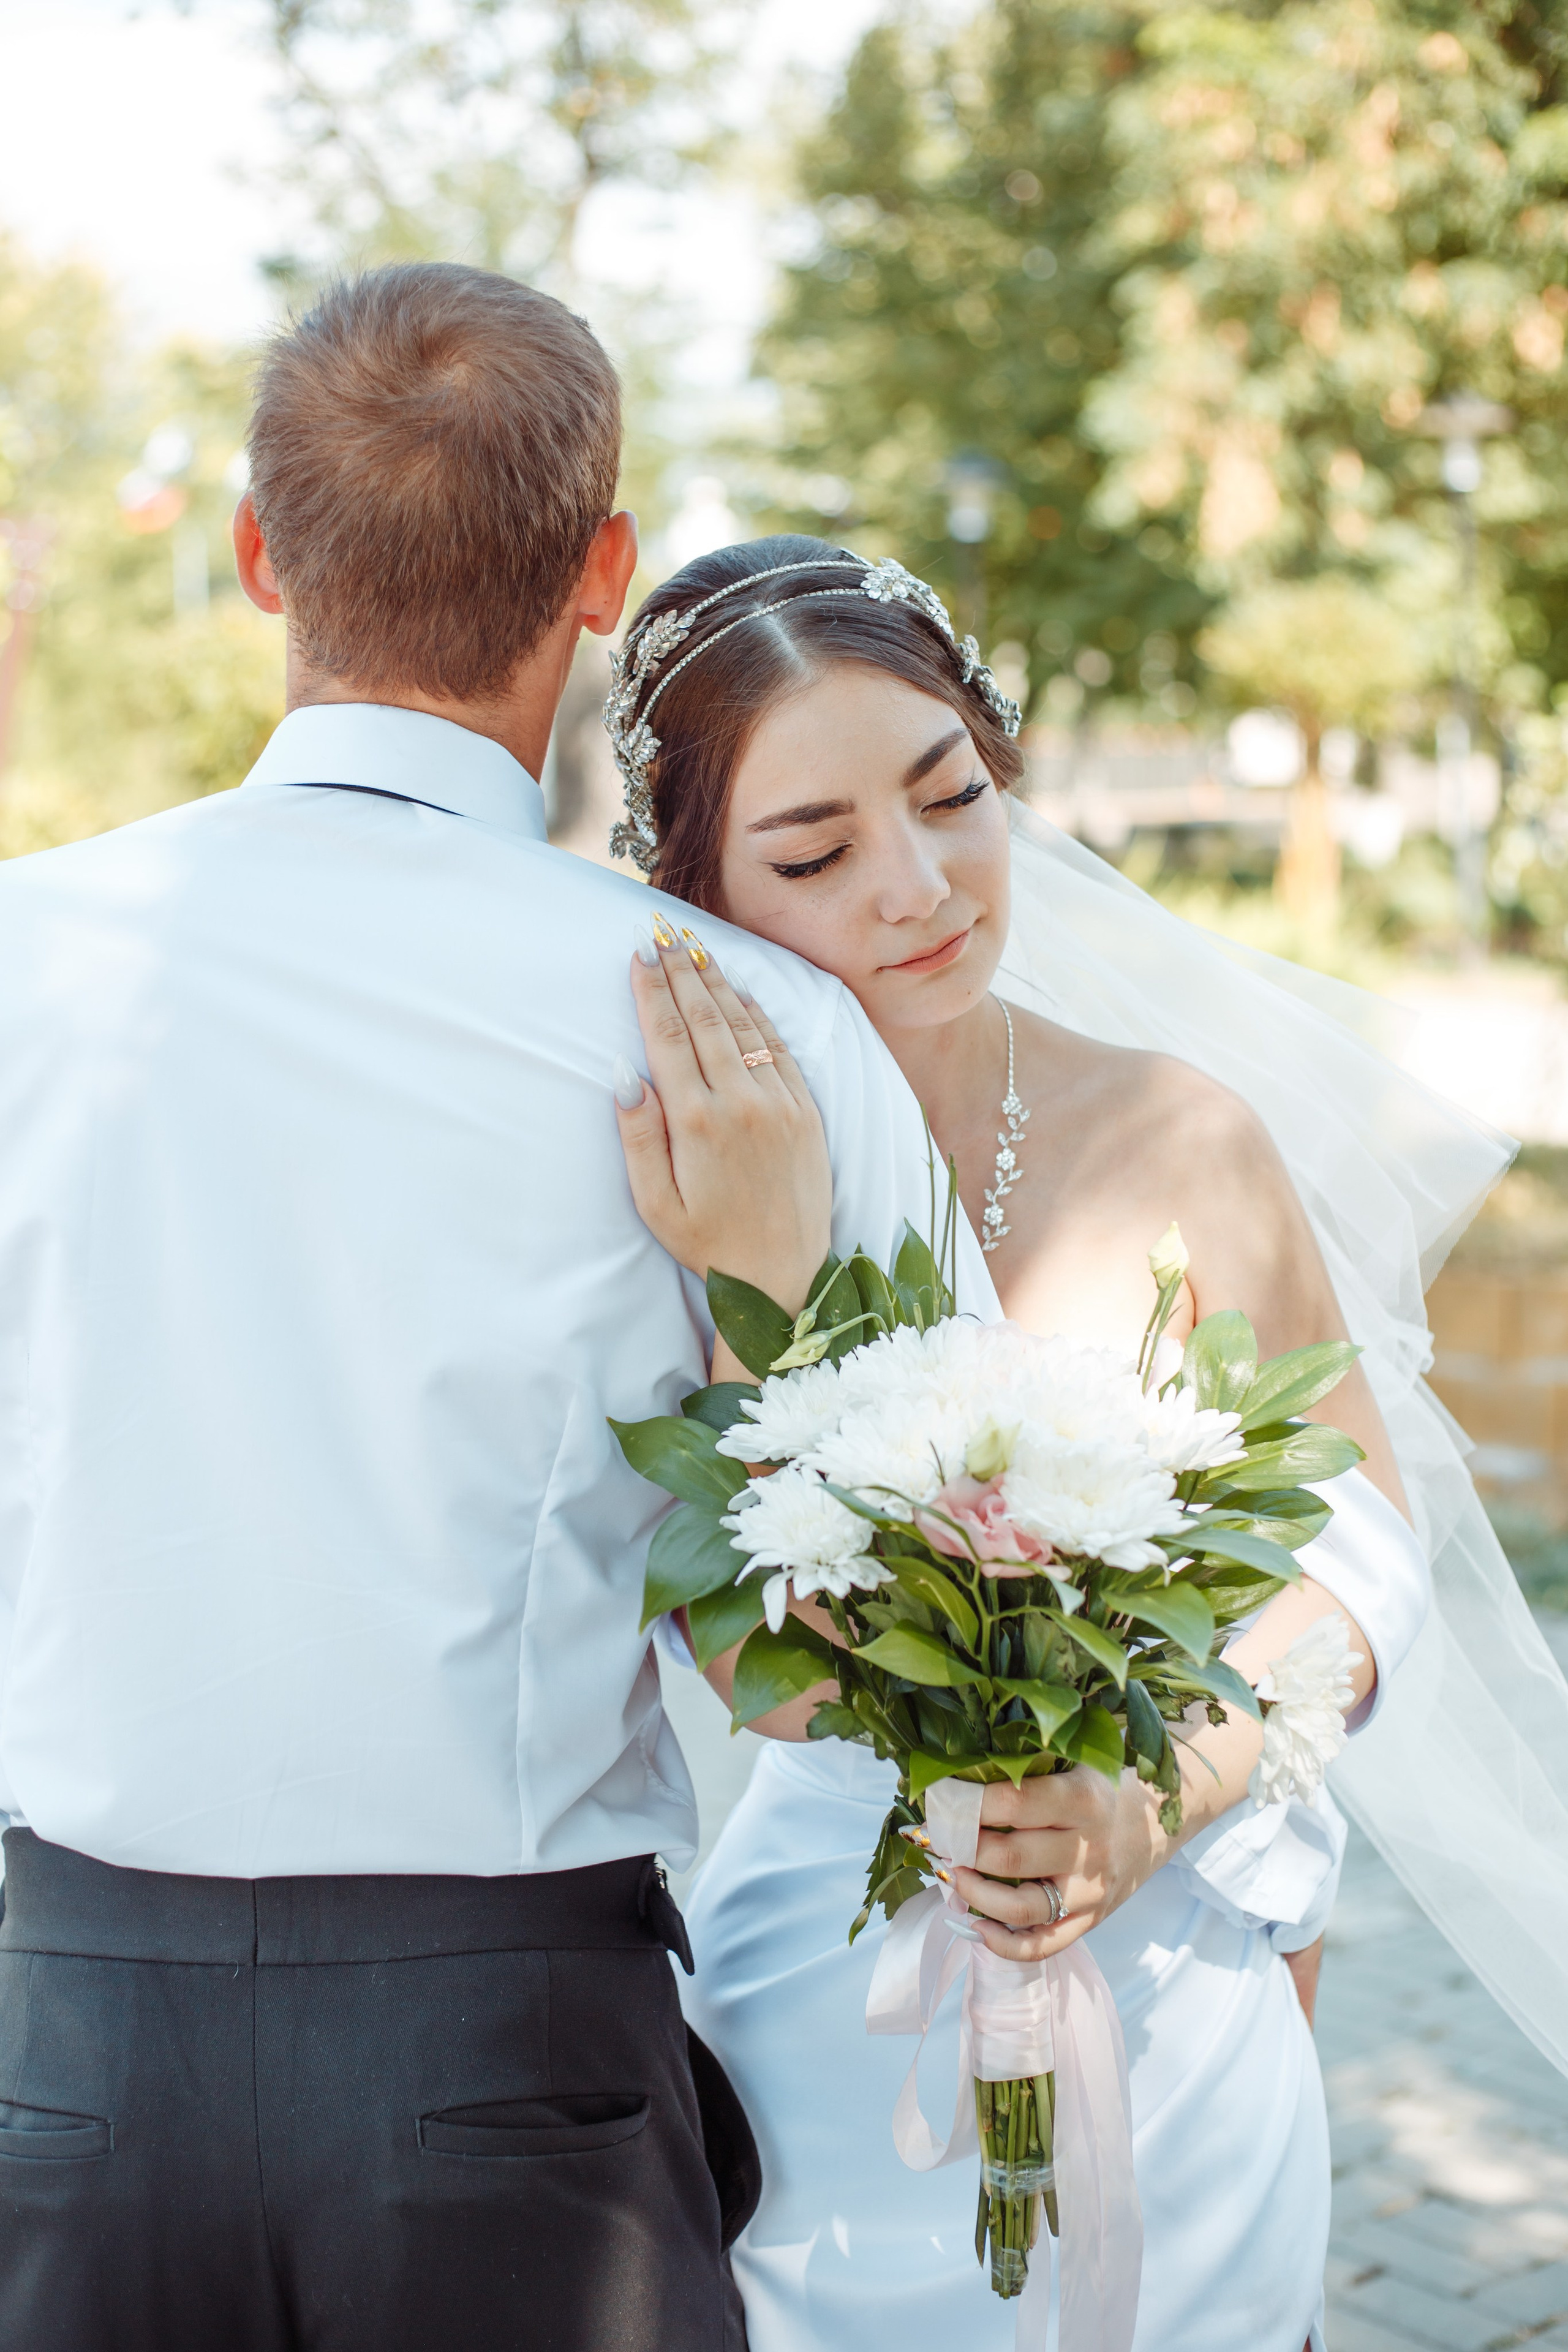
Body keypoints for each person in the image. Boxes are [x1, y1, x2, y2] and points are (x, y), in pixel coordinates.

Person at [0, 282, 999, 2352]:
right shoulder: (765, 1042)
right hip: (514, 2077)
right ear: (601, 574)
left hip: (63, 2061)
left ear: (265, 557)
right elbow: (938, 1614)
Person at [603, 535, 1568, 2352]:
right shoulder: (665, 1194)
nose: (916, 886)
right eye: (814, 854)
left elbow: (1362, 1544)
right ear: (700, 889)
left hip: (1181, 1985)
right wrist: (766, 1290)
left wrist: (1165, 1790)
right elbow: (743, 1660)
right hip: (845, 1999)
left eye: (951, 797)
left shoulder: (1180, 1132)